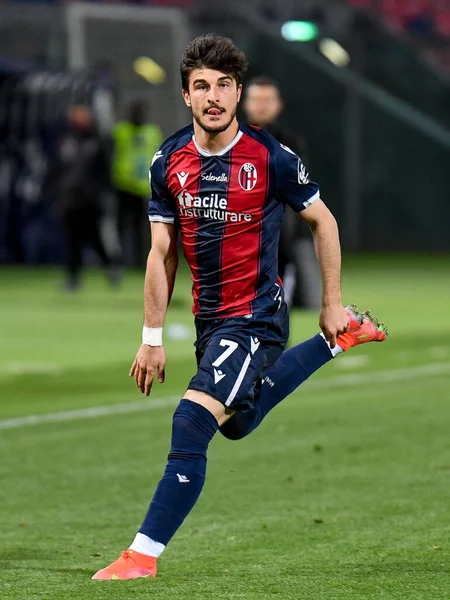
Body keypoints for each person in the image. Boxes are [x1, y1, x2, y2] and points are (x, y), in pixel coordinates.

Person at [92, 34, 387, 581]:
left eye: (223, 86)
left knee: (192, 420)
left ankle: (142, 556)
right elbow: (162, 253)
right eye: (201, 86)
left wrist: (330, 301)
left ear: (237, 92)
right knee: (237, 421)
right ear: (185, 95)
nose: (213, 96)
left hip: (256, 318)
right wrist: (151, 338)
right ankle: (337, 341)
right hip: (210, 320)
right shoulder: (168, 161)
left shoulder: (270, 156)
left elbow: (324, 221)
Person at [243, 75, 320, 309]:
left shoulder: (291, 143)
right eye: (256, 99)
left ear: (278, 105)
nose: (262, 105)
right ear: (245, 103)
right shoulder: (231, 139)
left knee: (277, 306)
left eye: (267, 100)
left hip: (280, 240)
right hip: (239, 238)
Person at [52, 104, 119, 290]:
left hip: (90, 200)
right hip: (70, 200)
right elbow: (57, 170)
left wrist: (101, 193)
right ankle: (73, 278)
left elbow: (104, 172)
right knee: (72, 240)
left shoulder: (97, 141)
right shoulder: (66, 141)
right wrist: (59, 194)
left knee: (94, 238)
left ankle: (111, 267)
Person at [112, 99, 163, 267]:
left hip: (143, 187)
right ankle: (123, 258)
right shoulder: (121, 131)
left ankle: (140, 260)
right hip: (124, 185)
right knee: (122, 225)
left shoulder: (152, 132)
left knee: (141, 227)